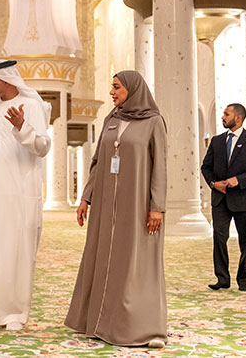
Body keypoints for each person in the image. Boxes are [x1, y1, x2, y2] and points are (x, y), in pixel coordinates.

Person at [64, 70, 167, 348]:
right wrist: (86, 197)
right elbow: (98, 161)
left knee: (134, 262)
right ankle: (97, 322)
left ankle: (143, 328)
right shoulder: (112, 118)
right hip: (106, 205)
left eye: (116, 87)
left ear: (132, 89)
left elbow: (160, 168)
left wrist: (156, 206)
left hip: (137, 205)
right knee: (103, 257)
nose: (112, 92)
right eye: (112, 87)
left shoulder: (153, 121)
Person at [0, 59, 51, 331]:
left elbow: (42, 147)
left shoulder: (31, 106)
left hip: (20, 193)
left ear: (6, 79)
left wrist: (22, 128)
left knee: (16, 252)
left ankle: (15, 314)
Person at [201, 103, 246, 292]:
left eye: (226, 114)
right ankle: (222, 278)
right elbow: (205, 167)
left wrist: (238, 180)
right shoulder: (216, 141)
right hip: (220, 199)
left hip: (245, 199)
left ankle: (243, 279)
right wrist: (214, 184)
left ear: (238, 118)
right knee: (219, 238)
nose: (222, 117)